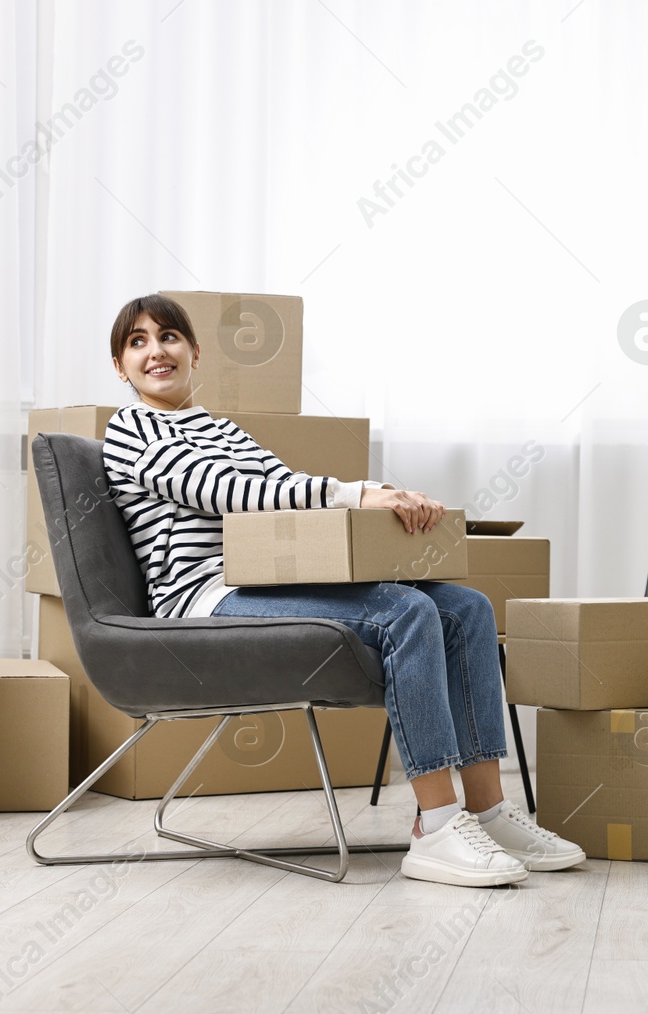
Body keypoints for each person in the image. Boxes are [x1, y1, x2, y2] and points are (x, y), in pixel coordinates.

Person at [99, 294, 584, 887]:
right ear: (120, 366)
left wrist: (378, 489)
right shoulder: (129, 431)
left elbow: (281, 482)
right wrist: (356, 495)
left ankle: (487, 812)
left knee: (466, 609)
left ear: (195, 353)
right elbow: (221, 490)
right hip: (202, 599)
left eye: (169, 337)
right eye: (137, 342)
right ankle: (435, 826)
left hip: (256, 584)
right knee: (404, 612)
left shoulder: (217, 427)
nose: (156, 351)